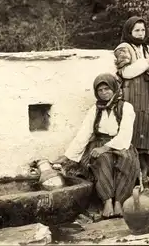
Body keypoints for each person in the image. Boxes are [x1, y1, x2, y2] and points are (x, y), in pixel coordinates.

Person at [53, 73, 140, 218]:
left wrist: (106, 148)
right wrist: (68, 155)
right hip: (99, 143)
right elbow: (84, 133)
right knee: (102, 160)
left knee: (126, 160)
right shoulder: (95, 109)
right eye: (100, 90)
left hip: (120, 144)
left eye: (107, 89)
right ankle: (107, 201)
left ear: (114, 88)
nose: (104, 93)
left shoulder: (126, 107)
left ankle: (119, 201)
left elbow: (125, 133)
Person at [114, 16, 149, 179]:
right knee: (138, 127)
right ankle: (140, 167)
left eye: (143, 30)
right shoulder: (123, 48)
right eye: (136, 30)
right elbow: (125, 72)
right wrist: (145, 65)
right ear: (129, 31)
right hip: (133, 92)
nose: (140, 33)